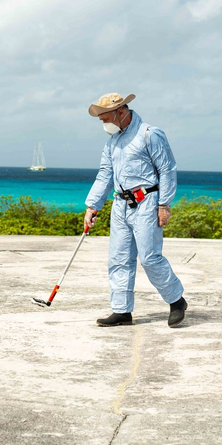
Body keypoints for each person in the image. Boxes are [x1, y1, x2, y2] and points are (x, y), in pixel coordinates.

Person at [84, 92, 188, 327]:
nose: (102, 123)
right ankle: (121, 311)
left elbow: (167, 169)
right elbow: (105, 174)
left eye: (105, 118)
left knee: (150, 257)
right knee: (119, 258)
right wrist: (92, 206)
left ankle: (176, 301)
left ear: (121, 112)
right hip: (120, 205)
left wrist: (164, 205)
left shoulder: (150, 134)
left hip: (146, 203)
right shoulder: (112, 142)